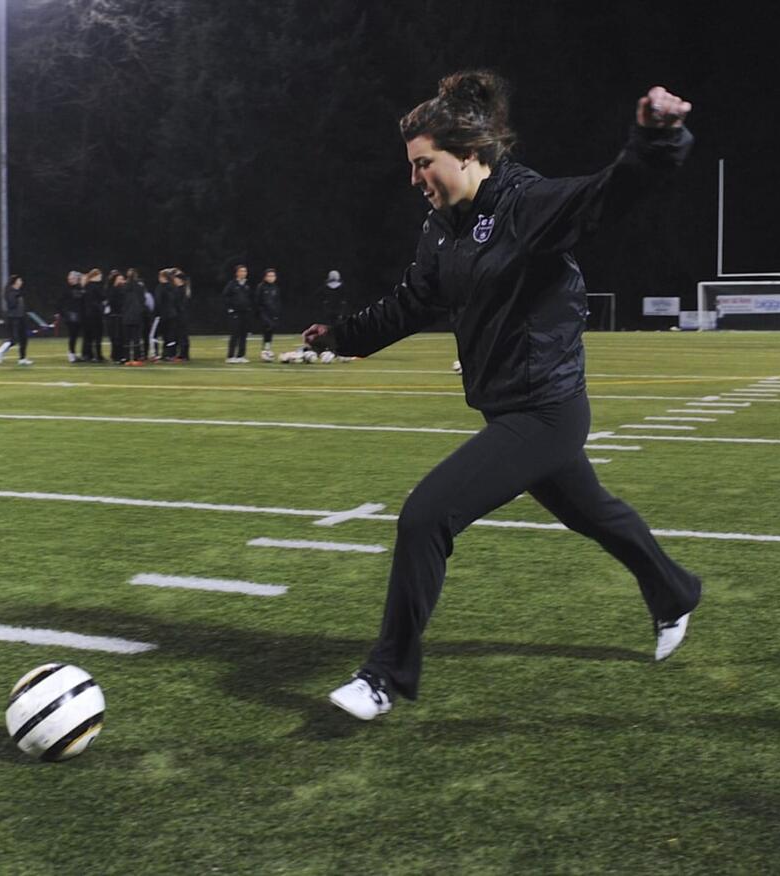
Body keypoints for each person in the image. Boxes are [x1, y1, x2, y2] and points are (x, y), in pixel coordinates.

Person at [302, 71, 702, 721]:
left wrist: (657, 139)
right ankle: (676, 591)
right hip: (507, 405)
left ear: (470, 155)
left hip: (545, 409)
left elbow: (611, 193)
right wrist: (339, 336)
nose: (415, 179)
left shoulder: (527, 205)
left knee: (426, 516)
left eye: (423, 163)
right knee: (593, 512)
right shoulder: (441, 229)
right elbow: (413, 302)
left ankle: (384, 676)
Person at [0, 275, 32, 365]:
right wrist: (17, 295)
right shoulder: (10, 292)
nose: (21, 282)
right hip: (13, 318)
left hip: (21, 317)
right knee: (14, 339)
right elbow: (11, 304)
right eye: (20, 280)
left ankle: (22, 359)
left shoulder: (18, 292)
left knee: (24, 339)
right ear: (15, 282)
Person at [222, 264, 251, 363]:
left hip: (245, 313)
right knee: (234, 334)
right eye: (241, 271)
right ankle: (230, 356)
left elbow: (249, 299)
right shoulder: (232, 284)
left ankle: (241, 355)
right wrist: (230, 308)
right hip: (235, 313)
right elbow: (225, 297)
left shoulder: (247, 285)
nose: (243, 273)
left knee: (243, 335)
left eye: (245, 271)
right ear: (237, 273)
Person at [254, 268, 281, 362]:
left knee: (270, 331)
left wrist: (277, 313)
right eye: (269, 276)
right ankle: (264, 351)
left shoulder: (275, 288)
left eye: (273, 276)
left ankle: (267, 349)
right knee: (267, 328)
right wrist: (259, 313)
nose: (271, 278)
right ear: (265, 277)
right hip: (263, 313)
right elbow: (257, 302)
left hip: (272, 314)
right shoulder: (261, 287)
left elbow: (277, 301)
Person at [122, 268, 146, 364]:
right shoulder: (140, 287)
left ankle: (127, 358)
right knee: (136, 337)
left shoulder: (124, 286)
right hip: (137, 315)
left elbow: (121, 301)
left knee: (127, 338)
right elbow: (143, 300)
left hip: (126, 315)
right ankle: (136, 358)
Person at [80, 268, 105, 362]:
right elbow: (102, 297)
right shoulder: (95, 286)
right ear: (95, 276)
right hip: (95, 315)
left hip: (87, 315)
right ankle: (98, 356)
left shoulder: (86, 286)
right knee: (98, 336)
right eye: (100, 275)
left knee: (88, 336)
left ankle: (87, 355)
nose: (101, 277)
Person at [61, 270, 83, 363]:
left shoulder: (80, 288)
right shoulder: (67, 289)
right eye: (70, 278)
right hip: (71, 316)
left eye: (72, 278)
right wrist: (63, 313)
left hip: (79, 315)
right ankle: (71, 353)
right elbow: (61, 302)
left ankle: (73, 353)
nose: (70, 279)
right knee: (72, 335)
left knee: (75, 335)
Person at [170, 269, 192, 361]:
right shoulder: (181, 289)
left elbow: (180, 304)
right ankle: (182, 354)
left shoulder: (181, 290)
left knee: (182, 335)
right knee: (181, 335)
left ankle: (184, 355)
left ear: (179, 280)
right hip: (181, 315)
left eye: (175, 278)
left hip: (181, 316)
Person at [152, 268, 174, 361]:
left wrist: (156, 313)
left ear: (162, 277)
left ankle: (156, 354)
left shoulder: (160, 288)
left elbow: (158, 302)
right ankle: (168, 355)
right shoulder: (173, 287)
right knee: (168, 336)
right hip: (171, 315)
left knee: (154, 336)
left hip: (161, 315)